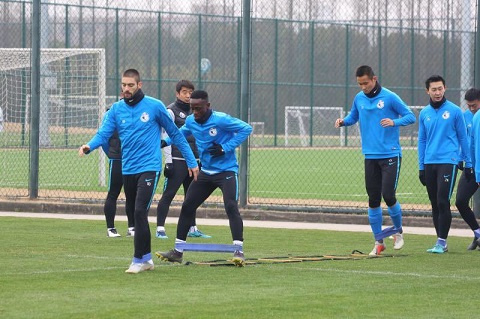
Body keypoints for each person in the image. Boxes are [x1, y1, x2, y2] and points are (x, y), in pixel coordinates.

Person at [79, 69, 199, 274]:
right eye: (124, 85)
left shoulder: (154, 106)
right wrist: (89, 146)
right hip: (129, 168)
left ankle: (137, 260)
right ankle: (147, 259)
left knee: (139, 211)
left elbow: (176, 135)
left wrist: (191, 161)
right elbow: (104, 133)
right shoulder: (116, 109)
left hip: (149, 168)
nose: (126, 89)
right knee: (135, 214)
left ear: (139, 85)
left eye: (130, 85)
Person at [156, 90, 252, 266]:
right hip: (206, 172)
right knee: (187, 206)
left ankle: (239, 251)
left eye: (199, 108)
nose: (195, 112)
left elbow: (246, 129)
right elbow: (180, 134)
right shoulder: (191, 121)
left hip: (226, 171)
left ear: (208, 106)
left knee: (231, 206)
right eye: (192, 108)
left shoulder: (221, 119)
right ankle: (178, 251)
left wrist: (225, 147)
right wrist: (164, 142)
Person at [334, 65, 415, 256]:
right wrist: (343, 121)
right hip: (370, 156)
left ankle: (398, 232)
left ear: (374, 79)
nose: (363, 87)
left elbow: (410, 116)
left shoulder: (389, 97)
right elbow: (354, 116)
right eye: (360, 84)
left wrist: (394, 122)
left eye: (366, 83)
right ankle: (379, 241)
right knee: (373, 200)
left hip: (390, 155)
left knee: (388, 195)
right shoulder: (359, 98)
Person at [418, 75, 472, 254]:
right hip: (429, 162)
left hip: (448, 161)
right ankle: (440, 241)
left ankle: (442, 242)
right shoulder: (424, 113)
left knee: (443, 200)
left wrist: (467, 160)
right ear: (428, 91)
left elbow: (463, 137)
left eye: (440, 88)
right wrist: (421, 166)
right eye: (434, 89)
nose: (437, 92)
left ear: (445, 88)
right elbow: (422, 140)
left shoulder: (455, 111)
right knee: (434, 203)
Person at [155, 80, 211, 239]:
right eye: (184, 92)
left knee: (191, 196)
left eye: (190, 92)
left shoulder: (195, 112)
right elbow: (165, 135)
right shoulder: (171, 111)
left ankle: (192, 228)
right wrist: (168, 162)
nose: (188, 95)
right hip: (177, 159)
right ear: (177, 93)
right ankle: (160, 228)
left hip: (193, 162)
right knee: (169, 194)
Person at [101, 100, 135, 238]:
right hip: (117, 159)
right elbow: (103, 139)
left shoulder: (136, 114)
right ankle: (111, 228)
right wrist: (112, 154)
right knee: (113, 193)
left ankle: (132, 227)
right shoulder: (110, 114)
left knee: (131, 195)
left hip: (133, 160)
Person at [458, 88, 480, 250]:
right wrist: (461, 159)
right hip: (471, 168)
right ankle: (478, 233)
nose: (472, 108)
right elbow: (465, 141)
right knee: (460, 201)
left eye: (474, 105)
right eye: (469, 106)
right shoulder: (465, 116)